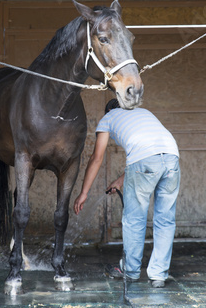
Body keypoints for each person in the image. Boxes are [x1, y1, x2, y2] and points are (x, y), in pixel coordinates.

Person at [73, 99, 180, 288]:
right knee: (165, 219)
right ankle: (158, 275)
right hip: (171, 157)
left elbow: (96, 158)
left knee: (134, 219)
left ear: (108, 110)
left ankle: (130, 271)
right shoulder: (143, 112)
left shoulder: (108, 118)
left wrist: (84, 193)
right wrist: (119, 181)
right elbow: (151, 157)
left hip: (145, 160)